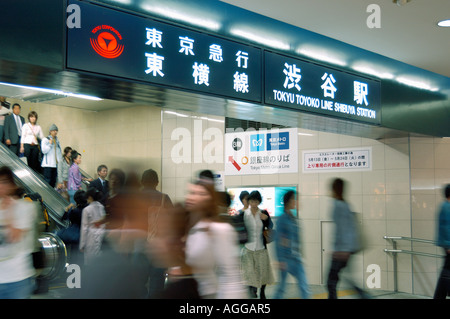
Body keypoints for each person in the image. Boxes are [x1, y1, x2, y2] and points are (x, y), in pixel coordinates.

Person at [183, 178, 246, 298]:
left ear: (210, 200)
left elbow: (231, 275)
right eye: (191, 192)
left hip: (209, 293)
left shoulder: (219, 229)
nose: (192, 197)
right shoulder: (192, 228)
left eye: (200, 194)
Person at [326, 178, 368, 299]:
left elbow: (343, 230)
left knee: (331, 282)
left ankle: (365, 296)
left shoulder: (339, 205)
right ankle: (364, 296)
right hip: (345, 249)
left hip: (342, 251)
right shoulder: (345, 204)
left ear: (334, 189)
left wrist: (341, 250)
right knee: (344, 281)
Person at [0, 166, 37, 298]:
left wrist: (8, 212)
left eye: (4, 182)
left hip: (18, 279)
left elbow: (14, 237)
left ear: (12, 185)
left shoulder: (25, 208)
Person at [274, 190, 310, 299]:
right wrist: (280, 259)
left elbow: (297, 240)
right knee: (282, 288)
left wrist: (301, 255)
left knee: (304, 286)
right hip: (286, 259)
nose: (297, 201)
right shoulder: (282, 219)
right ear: (288, 201)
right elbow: (278, 240)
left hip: (296, 258)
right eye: (295, 199)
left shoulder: (293, 219)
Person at [240, 190, 275, 299]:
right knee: (249, 273)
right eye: (251, 201)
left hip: (261, 247)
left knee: (263, 272)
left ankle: (262, 292)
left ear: (259, 202)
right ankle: (252, 291)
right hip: (248, 248)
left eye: (256, 201)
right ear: (248, 201)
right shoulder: (245, 214)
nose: (254, 203)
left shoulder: (263, 213)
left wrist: (267, 219)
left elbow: (270, 226)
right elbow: (240, 229)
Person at [57, 190, 87, 265]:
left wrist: (67, 209)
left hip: (76, 235)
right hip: (86, 235)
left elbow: (64, 218)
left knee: (74, 255)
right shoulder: (88, 209)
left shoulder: (75, 211)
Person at [79, 187, 106, 265]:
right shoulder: (101, 207)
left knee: (89, 263)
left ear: (90, 197)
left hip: (90, 238)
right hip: (101, 236)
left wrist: (82, 245)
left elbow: (84, 229)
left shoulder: (86, 210)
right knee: (99, 263)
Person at [433, 184, 450, 299]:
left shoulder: (444, 206)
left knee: (447, 270)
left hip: (446, 243)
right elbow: (446, 228)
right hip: (448, 244)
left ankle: (440, 294)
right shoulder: (447, 207)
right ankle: (440, 294)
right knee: (446, 271)